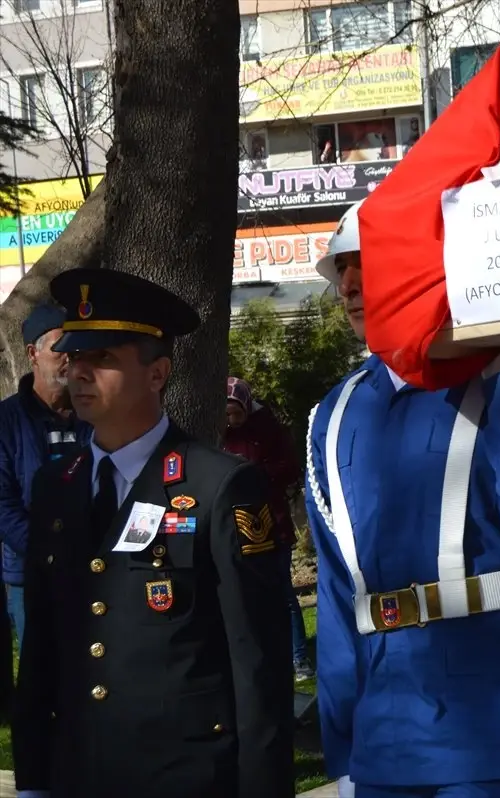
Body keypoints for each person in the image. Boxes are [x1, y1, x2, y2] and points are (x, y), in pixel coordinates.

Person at [308, 202, 500, 798]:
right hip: (386, 725)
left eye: (367, 263)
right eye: (341, 269)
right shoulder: (333, 415)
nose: (349, 285)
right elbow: (339, 592)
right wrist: (342, 744)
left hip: (496, 717)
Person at [13, 268, 294, 798]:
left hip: (185, 777)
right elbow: (41, 652)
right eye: (75, 357)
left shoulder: (219, 485)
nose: (79, 373)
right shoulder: (58, 485)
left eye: (104, 359)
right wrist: (32, 781)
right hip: (79, 774)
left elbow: (257, 663)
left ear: (158, 374)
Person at [0, 303, 89, 655]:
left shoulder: (95, 414)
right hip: (32, 575)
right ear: (32, 354)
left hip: (94, 571)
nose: (70, 355)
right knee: (44, 682)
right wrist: (50, 553)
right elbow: (3, 507)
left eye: (76, 347)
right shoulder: (6, 421)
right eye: (60, 344)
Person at [223, 375, 311, 679]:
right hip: (237, 525)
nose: (231, 420)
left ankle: (299, 658)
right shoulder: (220, 434)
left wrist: (256, 475)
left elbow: (288, 467)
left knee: (284, 595)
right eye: (226, 414)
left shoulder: (268, 430)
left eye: (236, 413)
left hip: (272, 522)